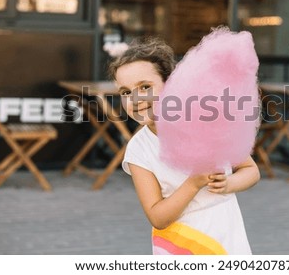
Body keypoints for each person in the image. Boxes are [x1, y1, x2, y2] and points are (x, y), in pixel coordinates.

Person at [107, 37, 260, 255]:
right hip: (181, 245)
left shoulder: (208, 123)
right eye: (125, 92)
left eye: (145, 87)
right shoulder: (139, 150)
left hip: (227, 236)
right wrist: (193, 183)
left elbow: (251, 171)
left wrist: (228, 184)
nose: (135, 98)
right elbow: (157, 217)